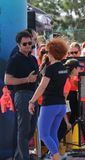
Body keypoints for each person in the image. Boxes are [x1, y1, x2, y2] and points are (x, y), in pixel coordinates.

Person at [28, 38, 68, 160]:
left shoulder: (50, 68)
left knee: (44, 134)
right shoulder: (63, 67)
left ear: (51, 52)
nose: (46, 53)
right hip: (61, 105)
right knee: (52, 134)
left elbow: (42, 86)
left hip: (49, 105)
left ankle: (56, 156)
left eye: (47, 51)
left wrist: (32, 101)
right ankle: (55, 155)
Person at [4, 30, 39, 160]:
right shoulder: (14, 59)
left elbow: (36, 77)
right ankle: (24, 157)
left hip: (34, 95)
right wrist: (26, 79)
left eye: (30, 43)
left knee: (32, 127)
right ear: (19, 45)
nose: (28, 46)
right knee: (24, 129)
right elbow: (8, 80)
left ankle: (18, 157)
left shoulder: (33, 58)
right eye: (25, 44)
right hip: (22, 94)